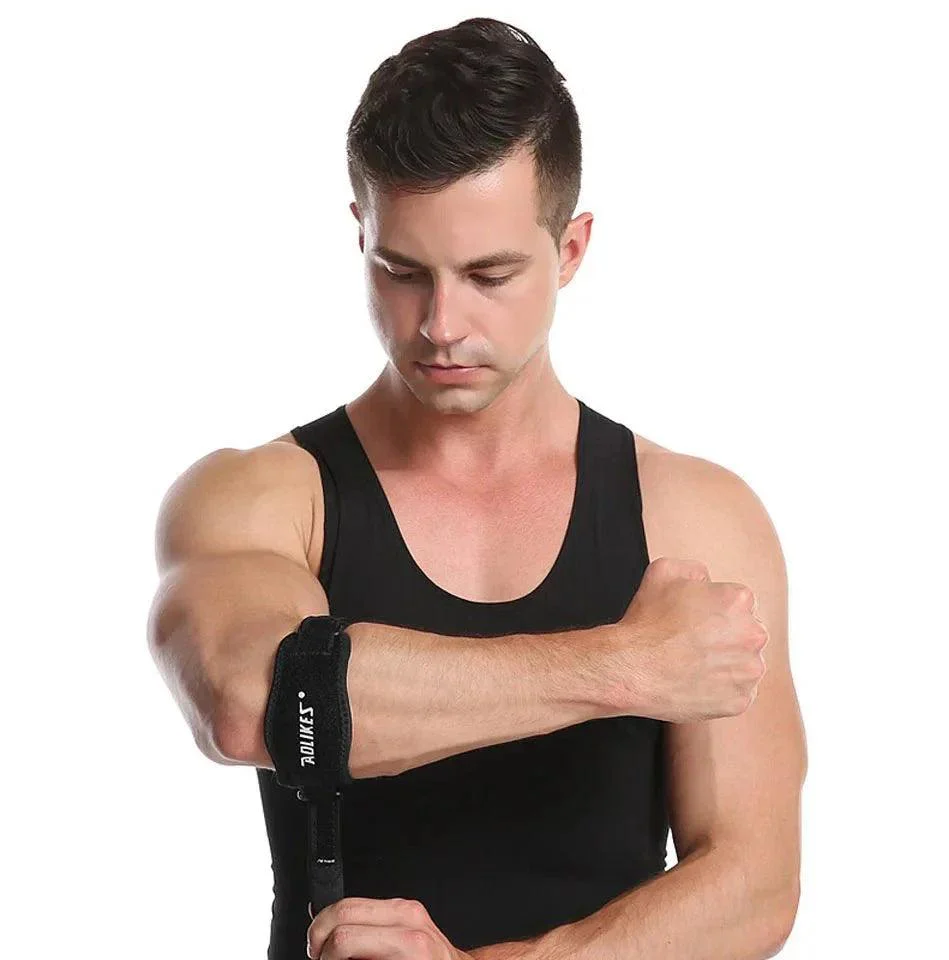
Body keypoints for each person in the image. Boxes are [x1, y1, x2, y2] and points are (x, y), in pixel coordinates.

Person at [148, 16, 806, 960]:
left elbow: (754, 881)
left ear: (571, 250)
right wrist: (626, 665)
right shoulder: (263, 497)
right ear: (360, 232)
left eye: (490, 274)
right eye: (402, 272)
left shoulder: (694, 514)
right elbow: (258, 703)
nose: (442, 325)